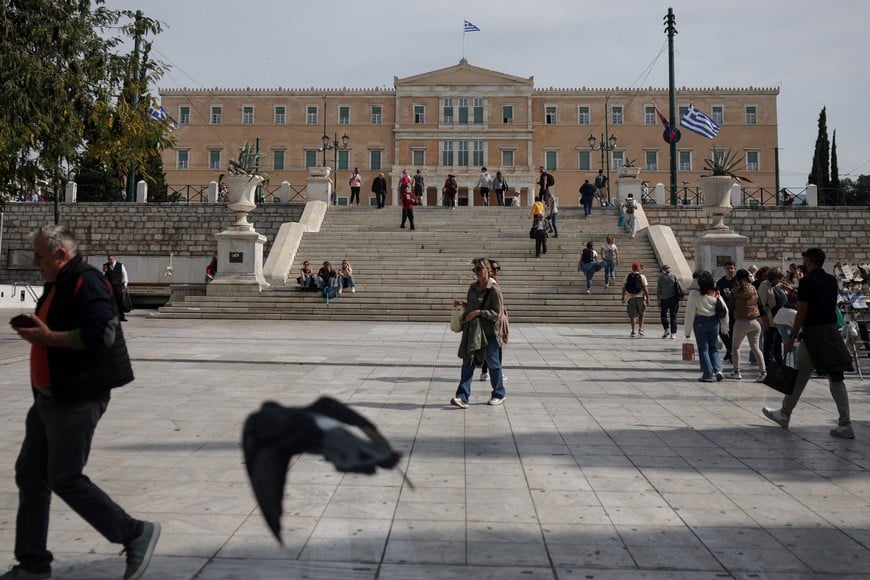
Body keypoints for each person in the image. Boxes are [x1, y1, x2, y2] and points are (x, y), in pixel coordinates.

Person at [5, 225, 160, 580]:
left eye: (40, 256)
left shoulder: (86, 281)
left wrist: (49, 337)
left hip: (76, 397)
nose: (35, 262)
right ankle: (32, 565)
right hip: (47, 397)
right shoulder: (57, 283)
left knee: (66, 478)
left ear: (60, 254)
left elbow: (103, 333)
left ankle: (135, 532)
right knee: (30, 476)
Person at [763, 247, 855, 439]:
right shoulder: (830, 280)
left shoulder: (807, 281)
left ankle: (786, 414)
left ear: (810, 261)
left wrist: (792, 336)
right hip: (830, 332)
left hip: (814, 333)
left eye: (805, 260)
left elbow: (803, 310)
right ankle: (843, 422)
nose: (803, 263)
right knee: (831, 376)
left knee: (803, 376)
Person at [450, 258, 506, 408]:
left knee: (493, 363)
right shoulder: (473, 288)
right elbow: (471, 308)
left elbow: (497, 313)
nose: (477, 273)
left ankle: (499, 393)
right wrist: (463, 304)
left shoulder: (494, 289)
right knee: (467, 362)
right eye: (475, 270)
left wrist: (479, 313)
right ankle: (462, 397)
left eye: (479, 269)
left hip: (489, 333)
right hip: (474, 332)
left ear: (487, 269)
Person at [684, 271, 729, 382]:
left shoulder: (694, 294)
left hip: (700, 323)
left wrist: (687, 331)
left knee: (703, 349)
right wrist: (725, 326)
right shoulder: (716, 293)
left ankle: (707, 374)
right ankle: (718, 370)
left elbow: (690, 313)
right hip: (714, 322)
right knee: (713, 348)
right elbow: (724, 309)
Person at [729, 268, 767, 382]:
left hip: (741, 321)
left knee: (736, 347)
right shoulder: (754, 288)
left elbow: (731, 307)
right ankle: (763, 371)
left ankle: (736, 371)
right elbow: (760, 304)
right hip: (755, 321)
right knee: (756, 348)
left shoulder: (735, 291)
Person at [479, 259, 509, 382]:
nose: (496, 271)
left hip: (496, 318)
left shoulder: (494, 282)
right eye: (494, 269)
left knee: (493, 347)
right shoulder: (490, 284)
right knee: (495, 347)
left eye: (498, 269)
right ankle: (493, 373)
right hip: (492, 319)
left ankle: (486, 372)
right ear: (488, 270)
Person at [716, 261, 738, 362]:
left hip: (735, 311)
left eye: (731, 268)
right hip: (723, 311)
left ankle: (731, 352)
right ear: (724, 269)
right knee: (722, 331)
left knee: (733, 333)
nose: (730, 270)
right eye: (728, 268)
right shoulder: (721, 282)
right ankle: (730, 350)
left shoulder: (737, 282)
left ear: (735, 269)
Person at [621, 262, 649, 337]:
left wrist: (623, 297)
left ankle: (633, 331)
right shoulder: (642, 276)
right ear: (638, 268)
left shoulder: (628, 276)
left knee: (632, 316)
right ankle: (640, 329)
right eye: (640, 267)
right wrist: (648, 299)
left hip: (630, 298)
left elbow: (624, 288)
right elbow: (646, 289)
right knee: (642, 314)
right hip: (640, 297)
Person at [657, 264, 682, 339]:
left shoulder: (661, 277)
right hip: (674, 299)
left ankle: (666, 330)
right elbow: (679, 286)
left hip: (664, 299)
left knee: (663, 315)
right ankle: (673, 333)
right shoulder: (674, 276)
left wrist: (658, 298)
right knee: (673, 316)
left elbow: (659, 289)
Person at [102, 253, 129, 322]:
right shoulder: (105, 265)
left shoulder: (120, 265)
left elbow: (124, 274)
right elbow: (102, 276)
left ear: (114, 258)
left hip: (118, 286)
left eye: (111, 259)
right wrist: (104, 272)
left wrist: (125, 283)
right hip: (109, 287)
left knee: (119, 302)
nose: (110, 261)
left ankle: (121, 316)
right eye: (108, 259)